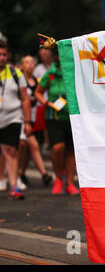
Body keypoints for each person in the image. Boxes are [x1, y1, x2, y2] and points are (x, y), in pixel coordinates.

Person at [34, 48, 79, 196]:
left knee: (71, 151)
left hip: (72, 117)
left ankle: (70, 183)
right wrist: (45, 102)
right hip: (54, 117)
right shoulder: (51, 74)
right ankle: (59, 177)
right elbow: (38, 92)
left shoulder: (74, 72)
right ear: (57, 57)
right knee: (58, 147)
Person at [0, 40, 33, 200]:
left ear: (9, 56)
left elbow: (25, 98)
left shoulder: (15, 73)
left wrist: (27, 121)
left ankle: (14, 186)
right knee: (6, 151)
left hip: (12, 117)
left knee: (10, 150)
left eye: (4, 54)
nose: (1, 58)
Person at [17, 55, 53, 187]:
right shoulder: (18, 80)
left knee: (27, 148)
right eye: (27, 62)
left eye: (32, 62)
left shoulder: (37, 81)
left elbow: (41, 95)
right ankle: (43, 174)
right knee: (31, 145)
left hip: (34, 117)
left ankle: (21, 173)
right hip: (20, 118)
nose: (30, 65)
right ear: (21, 65)